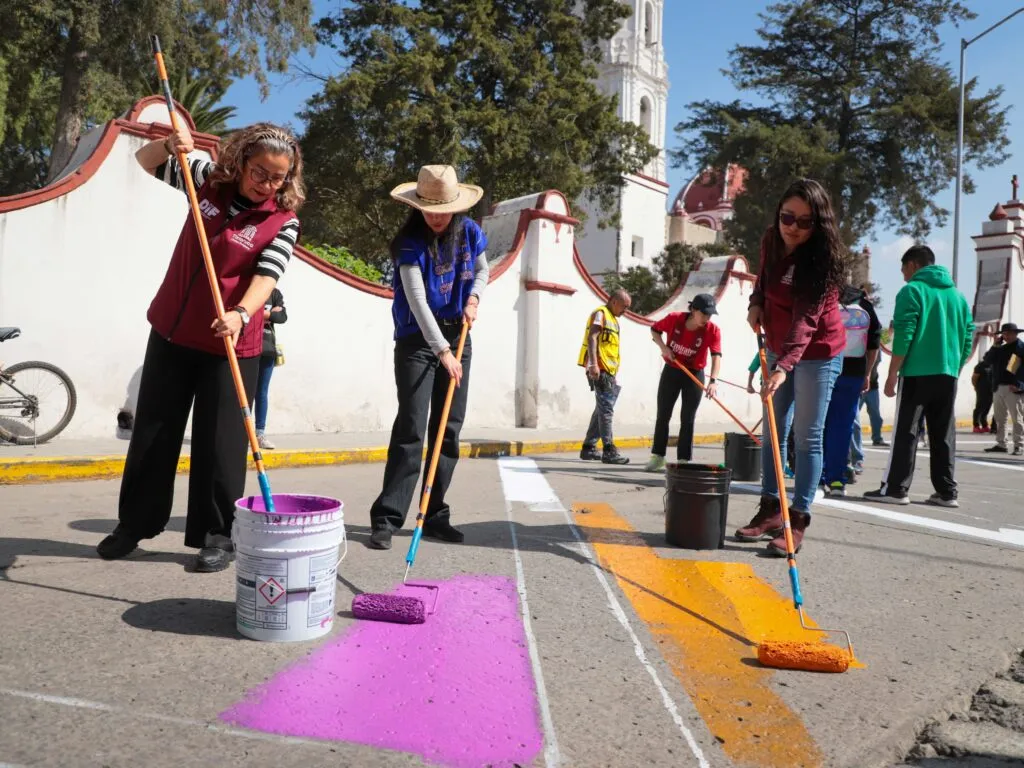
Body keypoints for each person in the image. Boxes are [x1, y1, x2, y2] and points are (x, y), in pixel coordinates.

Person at [97, 122, 304, 572]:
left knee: (220, 445)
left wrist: (241, 313)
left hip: (229, 341)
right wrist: (167, 145)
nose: (266, 183)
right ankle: (134, 525)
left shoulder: (282, 222)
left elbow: (267, 276)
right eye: (259, 172)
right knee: (154, 433)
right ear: (242, 162)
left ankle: (218, 536)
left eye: (277, 177)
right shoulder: (207, 180)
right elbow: (145, 162)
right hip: (172, 331)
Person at [367, 165, 489, 550]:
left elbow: (482, 270)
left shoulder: (469, 232)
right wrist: (443, 352)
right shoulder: (409, 244)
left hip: (458, 333)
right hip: (417, 340)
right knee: (412, 426)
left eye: (443, 211)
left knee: (448, 429)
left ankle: (434, 514)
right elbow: (418, 301)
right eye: (429, 210)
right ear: (417, 207)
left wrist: (474, 298)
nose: (436, 218)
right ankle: (387, 518)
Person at [734, 179, 846, 556]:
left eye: (804, 221)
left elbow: (806, 321)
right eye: (787, 217)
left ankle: (797, 519)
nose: (793, 227)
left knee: (806, 436)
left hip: (818, 351)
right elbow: (764, 278)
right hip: (779, 345)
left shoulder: (822, 261)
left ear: (818, 224)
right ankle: (770, 509)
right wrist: (755, 302)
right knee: (773, 431)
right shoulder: (771, 239)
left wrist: (783, 367)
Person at [863, 245, 974, 506]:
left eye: (903, 269)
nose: (903, 275)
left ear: (913, 265)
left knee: (907, 431)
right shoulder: (958, 296)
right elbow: (968, 337)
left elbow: (904, 334)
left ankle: (895, 489)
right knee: (943, 433)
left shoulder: (912, 290)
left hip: (916, 373)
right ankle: (947, 492)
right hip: (948, 373)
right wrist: (955, 368)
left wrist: (893, 373)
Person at [644, 293, 722, 471]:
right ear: (693, 310)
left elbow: (716, 355)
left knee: (688, 418)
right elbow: (655, 330)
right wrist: (664, 348)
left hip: (694, 374)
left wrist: (713, 380)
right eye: (704, 313)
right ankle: (658, 456)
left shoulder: (713, 330)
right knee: (663, 414)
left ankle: (684, 460)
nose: (707, 318)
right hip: (672, 370)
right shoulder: (674, 319)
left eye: (710, 314)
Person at [822, 283, 881, 496]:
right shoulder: (864, 303)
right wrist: (867, 374)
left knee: (817, 425)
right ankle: (837, 481)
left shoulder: (823, 298)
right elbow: (874, 343)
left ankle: (816, 478)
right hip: (852, 373)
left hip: (822, 369)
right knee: (843, 427)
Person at [578, 289, 632, 465]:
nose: (625, 311)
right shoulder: (600, 314)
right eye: (624, 307)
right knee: (606, 409)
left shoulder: (613, 319)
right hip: (599, 369)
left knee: (602, 408)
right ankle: (609, 450)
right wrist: (593, 364)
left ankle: (588, 447)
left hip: (609, 371)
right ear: (614, 301)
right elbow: (592, 338)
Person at [747, 351, 795, 477]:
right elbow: (752, 368)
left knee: (781, 435)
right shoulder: (762, 352)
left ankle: (779, 471)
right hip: (767, 387)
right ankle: (769, 472)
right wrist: (749, 385)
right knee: (770, 432)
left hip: (783, 385)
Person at [982, 323, 1024, 455]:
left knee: (1017, 419)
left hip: (1013, 388)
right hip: (998, 387)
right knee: (1000, 418)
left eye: (1009, 333)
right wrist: (995, 346)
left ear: (1015, 334)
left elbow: (1020, 369)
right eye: (1004, 334)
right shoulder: (1000, 348)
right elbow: (987, 361)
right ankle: (1001, 444)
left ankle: (1019, 445)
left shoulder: (1020, 348)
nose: (1006, 336)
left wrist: (1019, 384)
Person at [254, 287, 287, 450]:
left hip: (268, 350)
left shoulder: (274, 293)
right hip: (247, 349)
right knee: (243, 392)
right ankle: (240, 433)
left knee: (262, 393)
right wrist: (269, 314)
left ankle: (259, 434)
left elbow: (282, 317)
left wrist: (259, 314)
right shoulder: (250, 289)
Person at [972, 335, 1002, 433]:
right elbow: (974, 378)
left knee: (988, 408)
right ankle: (976, 425)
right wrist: (976, 387)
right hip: (982, 390)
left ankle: (986, 425)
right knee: (980, 407)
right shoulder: (980, 366)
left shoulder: (995, 366)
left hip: (993, 389)